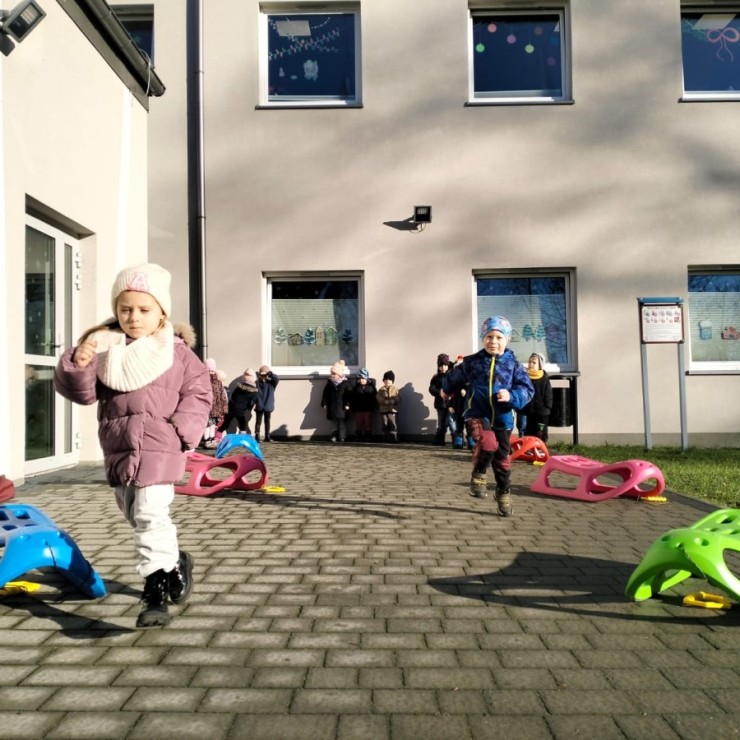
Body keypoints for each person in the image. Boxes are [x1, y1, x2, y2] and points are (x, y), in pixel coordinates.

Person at [53, 263, 212, 628]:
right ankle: (175, 562)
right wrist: (78, 364)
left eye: (144, 309)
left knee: (150, 514)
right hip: (120, 448)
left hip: (161, 445)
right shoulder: (107, 349)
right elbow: (84, 393)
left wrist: (181, 430)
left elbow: (199, 392)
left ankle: (154, 593)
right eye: (125, 309)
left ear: (161, 312)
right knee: (136, 515)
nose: (134, 317)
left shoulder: (177, 353)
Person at [442, 316, 533, 517]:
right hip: (477, 413)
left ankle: (503, 492)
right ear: (483, 338)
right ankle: (479, 473)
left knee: (502, 461)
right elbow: (454, 377)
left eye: (499, 337)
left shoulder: (513, 365)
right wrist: (446, 390)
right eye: (489, 337)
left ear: (507, 339)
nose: (493, 342)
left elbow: (527, 390)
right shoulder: (473, 362)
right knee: (488, 443)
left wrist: (511, 395)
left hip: (502, 419)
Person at [521, 352, 553, 442]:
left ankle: (541, 446)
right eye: (529, 362)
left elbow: (548, 392)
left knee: (541, 431)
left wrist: (547, 406)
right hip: (529, 410)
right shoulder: (525, 377)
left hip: (542, 411)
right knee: (529, 431)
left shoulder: (544, 377)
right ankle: (529, 447)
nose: (531, 364)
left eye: (534, 363)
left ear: (540, 365)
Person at [429, 353, 457, 446]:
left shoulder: (452, 376)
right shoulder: (436, 377)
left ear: (448, 365)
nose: (443, 368)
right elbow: (431, 389)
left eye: (445, 365)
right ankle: (439, 440)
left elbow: (456, 387)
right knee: (441, 423)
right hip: (440, 404)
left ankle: (456, 440)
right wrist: (439, 392)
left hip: (451, 404)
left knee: (452, 422)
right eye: (441, 366)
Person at [220, 368, 259, 435]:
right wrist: (249, 409)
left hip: (232, 409)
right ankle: (243, 438)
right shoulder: (254, 391)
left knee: (226, 425)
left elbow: (233, 397)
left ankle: (217, 436)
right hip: (243, 411)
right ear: (254, 378)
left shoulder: (238, 387)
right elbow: (252, 402)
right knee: (243, 426)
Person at [321, 360, 351, 442]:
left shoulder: (345, 383)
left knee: (342, 423)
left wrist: (348, 404)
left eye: (334, 374)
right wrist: (324, 403)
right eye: (332, 373)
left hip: (342, 408)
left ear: (339, 374)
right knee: (333, 423)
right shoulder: (329, 384)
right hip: (332, 407)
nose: (332, 375)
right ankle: (334, 436)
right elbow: (325, 394)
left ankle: (342, 436)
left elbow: (349, 395)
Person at [202, 358, 228, 448]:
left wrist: (224, 408)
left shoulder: (218, 382)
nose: (211, 373)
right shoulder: (203, 382)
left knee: (213, 425)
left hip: (215, 409)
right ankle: (207, 440)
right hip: (207, 409)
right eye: (209, 371)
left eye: (212, 371)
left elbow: (222, 396)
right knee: (207, 426)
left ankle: (212, 439)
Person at [350, 368, 377, 441]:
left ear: (367, 379)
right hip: (358, 409)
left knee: (368, 422)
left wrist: (374, 406)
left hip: (368, 409)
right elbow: (353, 398)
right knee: (358, 423)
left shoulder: (371, 387)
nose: (362, 380)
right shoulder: (356, 388)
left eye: (363, 378)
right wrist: (353, 407)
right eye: (360, 378)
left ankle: (368, 435)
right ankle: (358, 435)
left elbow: (374, 397)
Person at [255, 364, 279, 442]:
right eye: (262, 374)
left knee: (267, 421)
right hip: (259, 405)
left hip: (268, 405)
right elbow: (251, 380)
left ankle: (267, 436)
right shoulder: (257, 383)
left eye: (265, 374)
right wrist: (258, 374)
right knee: (258, 421)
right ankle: (257, 436)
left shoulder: (271, 383)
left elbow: (277, 378)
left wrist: (269, 373)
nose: (264, 376)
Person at [376, 370, 400, 442]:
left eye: (389, 380)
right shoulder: (381, 390)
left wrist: (394, 400)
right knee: (385, 422)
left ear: (392, 381)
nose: (387, 381)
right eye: (386, 380)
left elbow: (398, 397)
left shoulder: (395, 389)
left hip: (393, 410)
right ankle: (385, 436)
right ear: (383, 381)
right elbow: (378, 397)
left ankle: (393, 436)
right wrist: (384, 401)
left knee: (392, 422)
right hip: (384, 409)